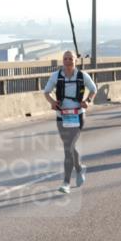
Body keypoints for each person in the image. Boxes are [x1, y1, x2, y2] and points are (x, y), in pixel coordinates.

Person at [43, 51, 97, 193]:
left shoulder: (82, 76)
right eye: (65, 59)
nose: (67, 61)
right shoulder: (56, 76)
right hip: (62, 115)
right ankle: (79, 168)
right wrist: (53, 102)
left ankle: (66, 183)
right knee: (69, 146)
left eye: (70, 59)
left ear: (75, 61)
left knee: (68, 148)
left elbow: (93, 89)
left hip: (78, 115)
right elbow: (46, 92)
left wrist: (88, 101)